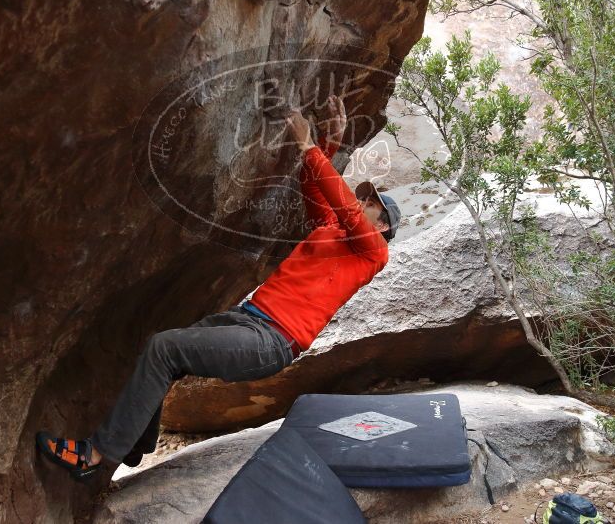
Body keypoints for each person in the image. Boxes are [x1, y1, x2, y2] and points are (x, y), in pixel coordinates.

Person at [35, 95, 403, 481]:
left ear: (381, 227)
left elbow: (343, 204)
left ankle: (96, 456)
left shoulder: (372, 252)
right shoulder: (331, 231)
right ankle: (137, 443)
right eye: (363, 195)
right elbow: (313, 188)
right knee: (161, 349)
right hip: (248, 318)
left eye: (371, 203)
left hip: (273, 340)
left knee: (164, 349)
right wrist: (330, 143)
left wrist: (309, 145)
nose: (362, 200)